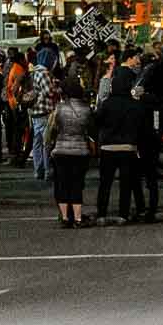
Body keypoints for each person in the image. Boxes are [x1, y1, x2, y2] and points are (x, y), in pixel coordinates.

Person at [93, 69, 145, 225]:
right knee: (126, 183)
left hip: (108, 147)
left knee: (105, 183)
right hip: (128, 147)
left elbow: (96, 122)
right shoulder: (135, 105)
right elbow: (140, 126)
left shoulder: (106, 104)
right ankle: (123, 214)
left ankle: (101, 214)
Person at [46, 73, 95, 228]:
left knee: (62, 184)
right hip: (80, 151)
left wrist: (49, 146)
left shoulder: (59, 108)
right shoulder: (87, 109)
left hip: (61, 150)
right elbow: (92, 130)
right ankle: (78, 218)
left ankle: (66, 217)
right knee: (77, 184)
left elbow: (51, 130)